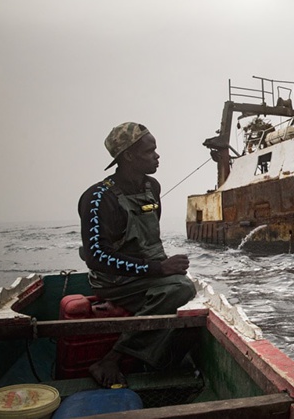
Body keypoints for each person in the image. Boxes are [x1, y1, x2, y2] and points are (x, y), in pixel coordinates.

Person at [78, 122, 196, 388]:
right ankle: (112, 358)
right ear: (128, 156)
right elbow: (97, 257)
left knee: (186, 291)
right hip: (114, 280)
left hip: (149, 273)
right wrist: (158, 270)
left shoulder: (151, 187)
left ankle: (162, 361)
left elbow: (151, 237)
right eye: (149, 151)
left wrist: (163, 266)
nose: (157, 156)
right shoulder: (98, 198)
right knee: (181, 288)